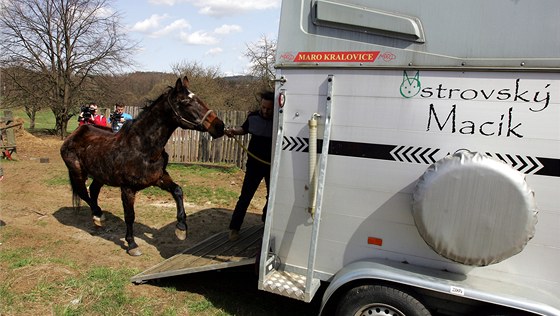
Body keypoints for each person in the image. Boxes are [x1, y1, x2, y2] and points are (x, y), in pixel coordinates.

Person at [225, 91, 274, 241]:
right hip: (254, 165)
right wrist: (234, 131)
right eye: (263, 107)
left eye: (269, 109)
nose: (265, 111)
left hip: (272, 165)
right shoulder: (253, 117)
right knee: (245, 197)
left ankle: (266, 223)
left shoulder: (280, 120)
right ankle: (234, 228)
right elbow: (244, 129)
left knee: (272, 197)